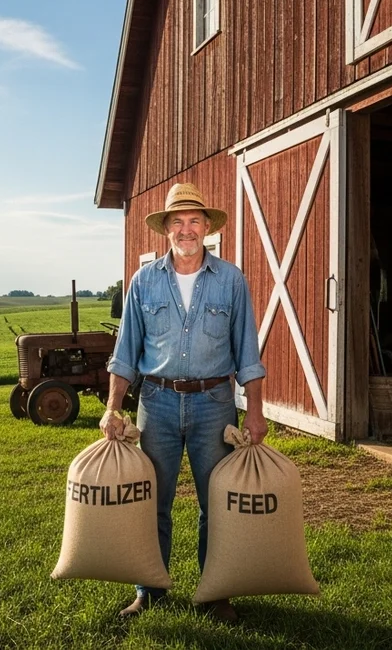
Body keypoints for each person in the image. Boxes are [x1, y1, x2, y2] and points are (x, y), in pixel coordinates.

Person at [101, 182, 267, 624]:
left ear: (208, 227)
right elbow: (126, 351)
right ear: (166, 231)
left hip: (215, 403)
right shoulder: (144, 281)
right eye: (178, 222)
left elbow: (247, 352)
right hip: (156, 402)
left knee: (218, 502)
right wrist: (113, 406)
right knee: (153, 499)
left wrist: (254, 410)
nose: (187, 229)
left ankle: (216, 592)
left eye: (194, 220)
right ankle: (150, 590)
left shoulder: (231, 279)